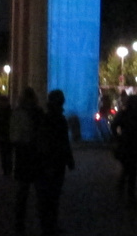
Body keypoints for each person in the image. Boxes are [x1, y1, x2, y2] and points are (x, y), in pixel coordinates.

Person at [36, 88, 76, 235]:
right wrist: (69, 159)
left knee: (47, 196)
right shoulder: (58, 119)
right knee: (53, 195)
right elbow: (63, 142)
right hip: (54, 161)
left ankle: (47, 225)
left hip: (48, 161)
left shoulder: (47, 118)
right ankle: (50, 225)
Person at [10, 87, 44, 233]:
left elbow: (14, 135)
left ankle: (20, 224)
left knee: (23, 193)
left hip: (24, 154)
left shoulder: (18, 113)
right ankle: (43, 223)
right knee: (38, 192)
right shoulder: (38, 113)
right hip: (34, 154)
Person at [0, 92, 15, 177]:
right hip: (3, 135)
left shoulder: (8, 112)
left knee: (8, 153)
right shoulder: (1, 112)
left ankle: (8, 169)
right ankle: (5, 169)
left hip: (8, 135)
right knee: (4, 153)